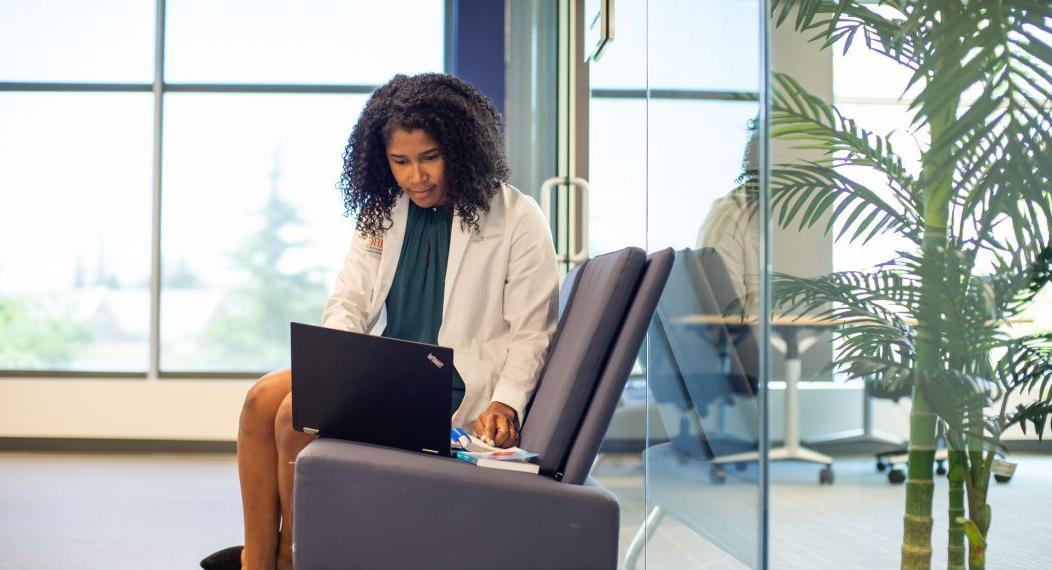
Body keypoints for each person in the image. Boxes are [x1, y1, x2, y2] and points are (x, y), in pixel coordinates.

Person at [201, 73, 560, 570]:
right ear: (382, 160)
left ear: (461, 147)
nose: (416, 177)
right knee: (262, 396)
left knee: (290, 414)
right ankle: (256, 559)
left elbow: (533, 328)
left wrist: (507, 400)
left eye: (430, 157)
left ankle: (292, 556)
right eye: (401, 162)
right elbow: (349, 300)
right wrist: (337, 365)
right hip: (385, 373)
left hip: (449, 387)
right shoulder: (382, 212)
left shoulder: (518, 217)